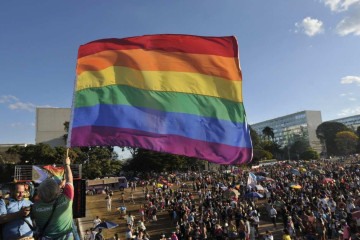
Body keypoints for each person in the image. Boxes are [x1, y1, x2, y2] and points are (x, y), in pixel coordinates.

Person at [31, 156, 74, 239]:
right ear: (58, 191)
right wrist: (67, 165)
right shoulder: (66, 200)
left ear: (39, 194)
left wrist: (59, 186)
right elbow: (70, 180)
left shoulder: (36, 208)